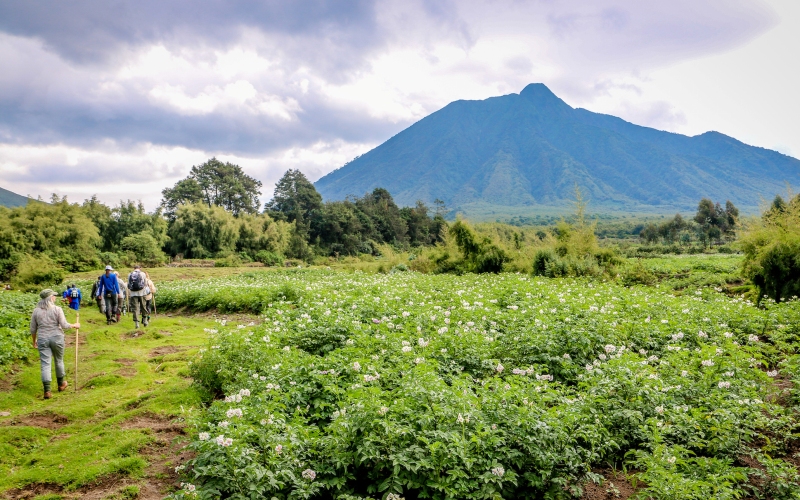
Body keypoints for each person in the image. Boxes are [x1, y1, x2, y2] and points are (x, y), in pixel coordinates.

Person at [30, 289, 80, 399]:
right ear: (50, 298)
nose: (55, 297)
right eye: (54, 296)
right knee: (59, 360)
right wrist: (75, 325)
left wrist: (34, 342)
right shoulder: (57, 309)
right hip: (57, 337)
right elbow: (64, 325)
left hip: (42, 339)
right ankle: (61, 384)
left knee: (45, 364)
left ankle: (47, 391)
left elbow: (33, 329)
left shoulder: (36, 311)